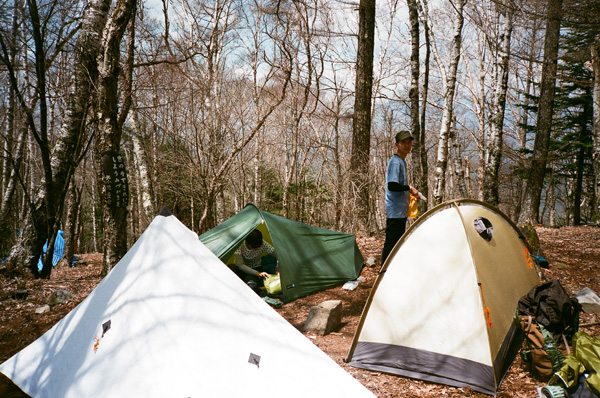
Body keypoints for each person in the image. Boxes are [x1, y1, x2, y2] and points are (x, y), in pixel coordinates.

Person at [381, 130, 422, 265]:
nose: (407, 145)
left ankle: (392, 271)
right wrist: (409, 188)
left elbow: (398, 186)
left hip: (400, 210)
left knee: (397, 244)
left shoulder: (402, 161)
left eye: (409, 142)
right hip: (395, 210)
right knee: (391, 244)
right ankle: (383, 273)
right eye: (403, 142)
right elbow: (392, 185)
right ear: (397, 144)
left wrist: (411, 194)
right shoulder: (395, 162)